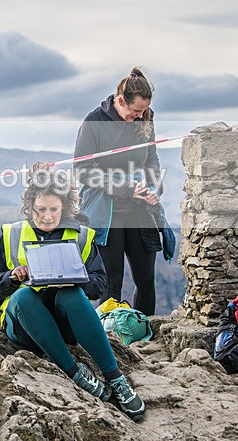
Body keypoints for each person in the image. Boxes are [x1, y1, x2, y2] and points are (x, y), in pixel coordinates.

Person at [0, 162, 145, 421]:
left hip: (65, 324)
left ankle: (116, 378)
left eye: (54, 210)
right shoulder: (12, 234)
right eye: (40, 209)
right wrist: (12, 276)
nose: (47, 216)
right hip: (23, 326)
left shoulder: (81, 236)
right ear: (29, 206)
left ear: (64, 207)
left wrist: (77, 280)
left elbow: (99, 283)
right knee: (23, 295)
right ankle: (74, 372)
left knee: (72, 294)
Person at [73, 68, 169, 316]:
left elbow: (151, 160)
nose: (138, 117)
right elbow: (82, 169)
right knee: (111, 283)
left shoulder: (145, 119)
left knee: (146, 280)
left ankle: (143, 331)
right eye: (134, 111)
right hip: (106, 213)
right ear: (120, 100)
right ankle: (110, 339)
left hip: (140, 211)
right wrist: (126, 188)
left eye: (143, 112)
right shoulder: (94, 122)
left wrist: (153, 187)